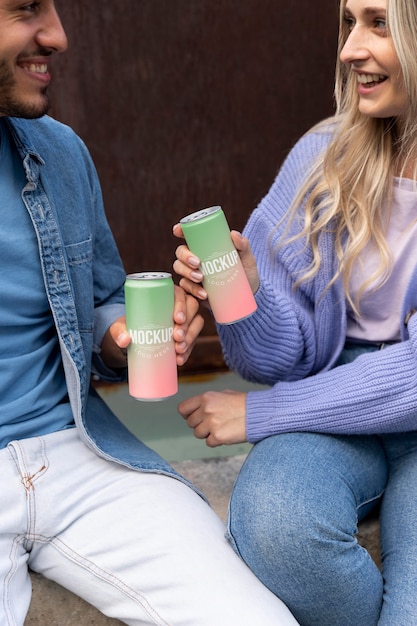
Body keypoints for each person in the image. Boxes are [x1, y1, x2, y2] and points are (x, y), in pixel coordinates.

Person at [0, 1, 302, 625]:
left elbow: (97, 303)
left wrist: (122, 338)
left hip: (79, 455)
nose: (56, 35)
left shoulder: (57, 154)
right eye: (26, 8)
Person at [173, 0, 417, 623]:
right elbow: (278, 358)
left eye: (378, 23)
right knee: (276, 525)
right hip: (335, 400)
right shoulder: (323, 156)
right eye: (347, 23)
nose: (348, 50)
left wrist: (262, 414)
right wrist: (245, 294)